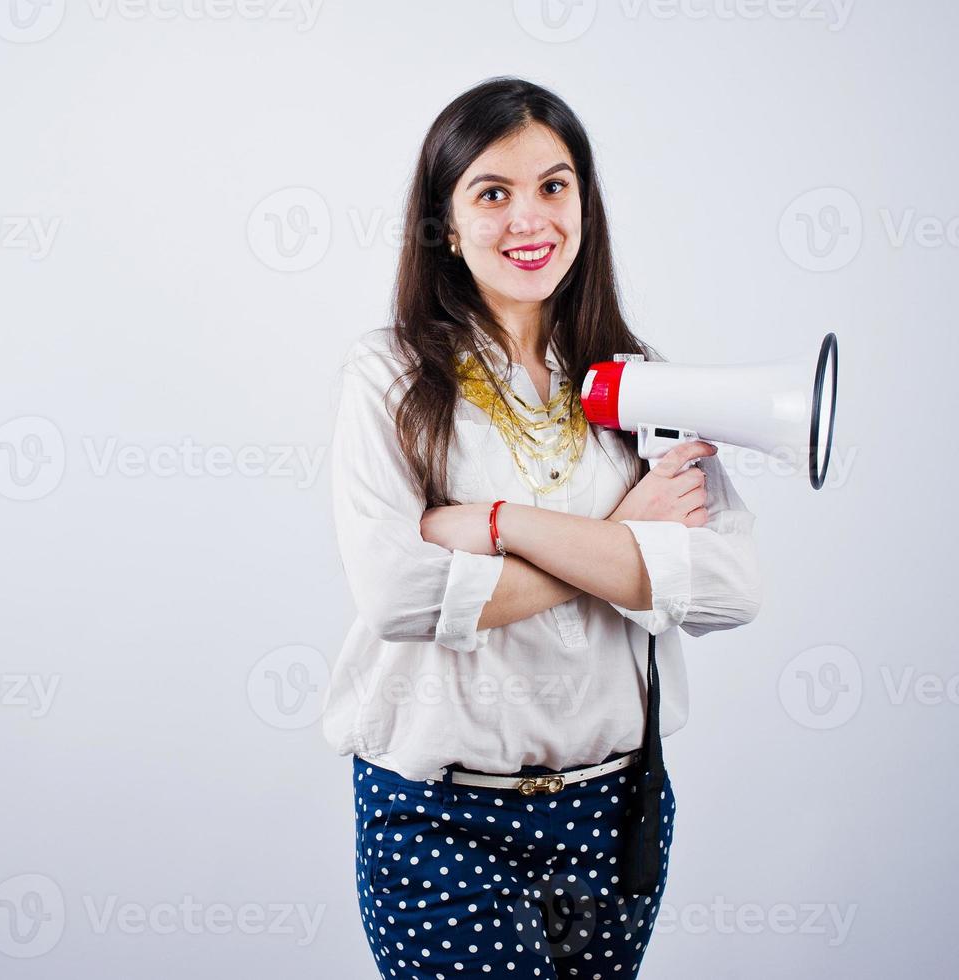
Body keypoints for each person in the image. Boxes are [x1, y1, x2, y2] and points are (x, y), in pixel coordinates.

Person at [321, 77, 763, 978]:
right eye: (493, 193)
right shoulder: (387, 375)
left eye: (554, 187)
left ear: (585, 206)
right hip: (438, 813)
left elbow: (729, 589)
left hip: (613, 808)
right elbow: (400, 594)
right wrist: (626, 538)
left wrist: (497, 525)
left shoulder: (648, 384)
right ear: (446, 223)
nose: (530, 220)